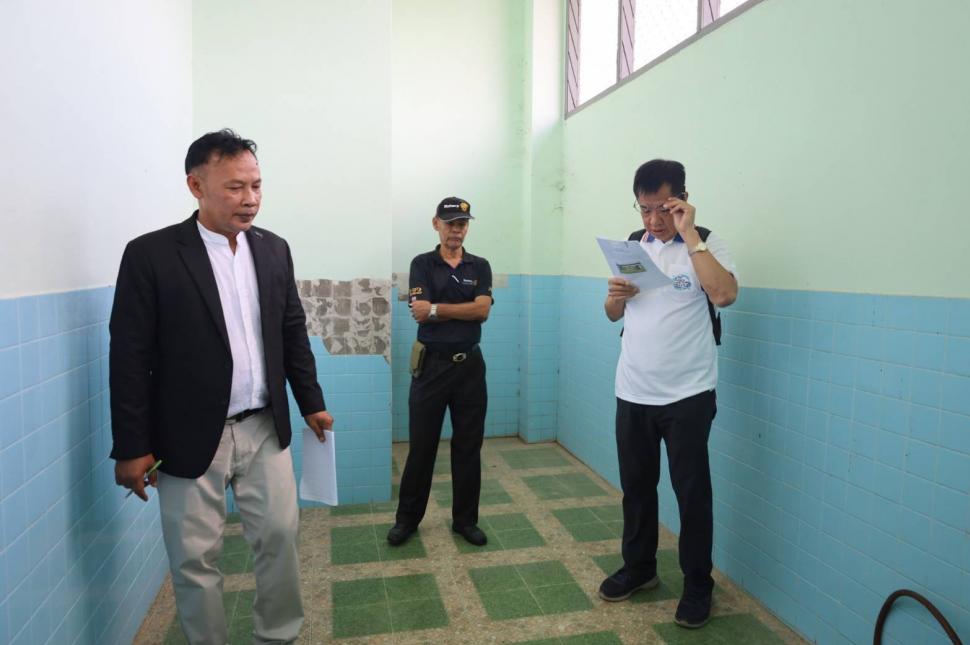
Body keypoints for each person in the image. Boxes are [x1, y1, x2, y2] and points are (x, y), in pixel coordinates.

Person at [109, 129, 333, 645]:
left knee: (280, 538)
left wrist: (311, 403)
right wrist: (132, 446)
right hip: (188, 435)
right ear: (196, 186)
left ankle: (278, 636)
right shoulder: (151, 255)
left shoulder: (272, 249)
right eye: (235, 187)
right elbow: (129, 358)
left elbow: (291, 331)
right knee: (194, 559)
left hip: (263, 426)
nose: (250, 199)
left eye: (256, 185)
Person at [599, 159, 738, 629]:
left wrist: (690, 233)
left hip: (688, 395)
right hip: (633, 390)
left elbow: (724, 295)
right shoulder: (632, 246)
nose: (654, 220)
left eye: (663, 208)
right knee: (637, 489)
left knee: (692, 494)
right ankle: (640, 569)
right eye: (645, 209)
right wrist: (616, 296)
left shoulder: (706, 243)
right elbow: (612, 314)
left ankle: (698, 585)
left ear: (682, 200)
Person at [387, 197, 493, 548]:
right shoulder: (422, 264)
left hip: (470, 368)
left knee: (468, 447)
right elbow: (419, 312)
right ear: (436, 224)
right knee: (422, 448)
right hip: (431, 367)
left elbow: (482, 312)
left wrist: (436, 308)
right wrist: (462, 308)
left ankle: (465, 521)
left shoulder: (480, 266)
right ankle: (407, 520)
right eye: (450, 224)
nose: (456, 230)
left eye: (462, 224)